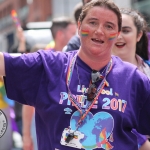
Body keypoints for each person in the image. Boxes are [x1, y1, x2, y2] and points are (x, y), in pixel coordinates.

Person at [1, 0, 150, 149]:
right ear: (79, 27)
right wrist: (27, 135)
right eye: (92, 22)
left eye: (109, 26)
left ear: (117, 34)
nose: (99, 30)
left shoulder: (134, 79)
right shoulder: (48, 66)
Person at [22, 16, 76, 150]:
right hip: (45, 129)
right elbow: (29, 101)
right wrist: (26, 134)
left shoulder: (79, 61)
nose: (77, 36)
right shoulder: (43, 63)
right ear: (60, 34)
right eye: (73, 33)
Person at [112, 8, 150, 150]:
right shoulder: (95, 74)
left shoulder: (148, 71)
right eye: (114, 30)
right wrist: (141, 142)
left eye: (126, 31)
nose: (119, 36)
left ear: (139, 35)